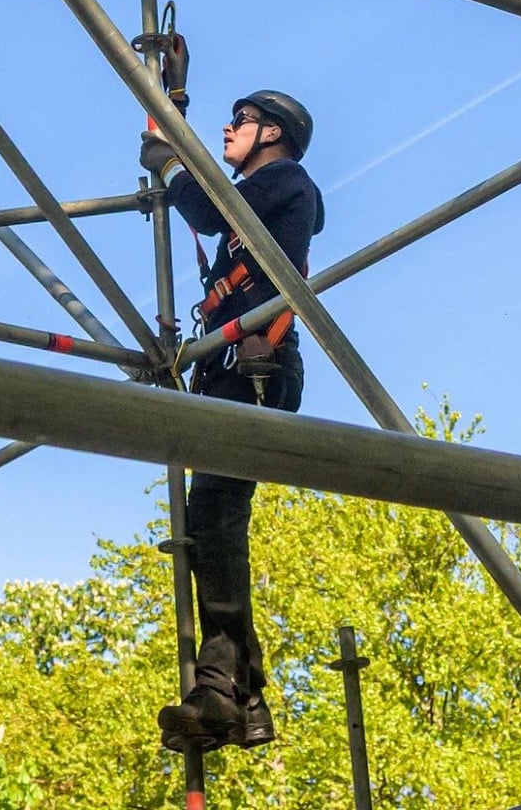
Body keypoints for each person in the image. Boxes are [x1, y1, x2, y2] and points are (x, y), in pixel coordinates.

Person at [155, 91, 325, 756]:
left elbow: (203, 203)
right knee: (214, 520)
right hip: (235, 368)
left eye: (243, 121)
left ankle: (223, 688)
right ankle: (243, 700)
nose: (230, 130)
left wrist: (171, 164)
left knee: (217, 517)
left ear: (274, 133)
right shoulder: (257, 201)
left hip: (256, 367)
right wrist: (170, 102)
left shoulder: (284, 181)